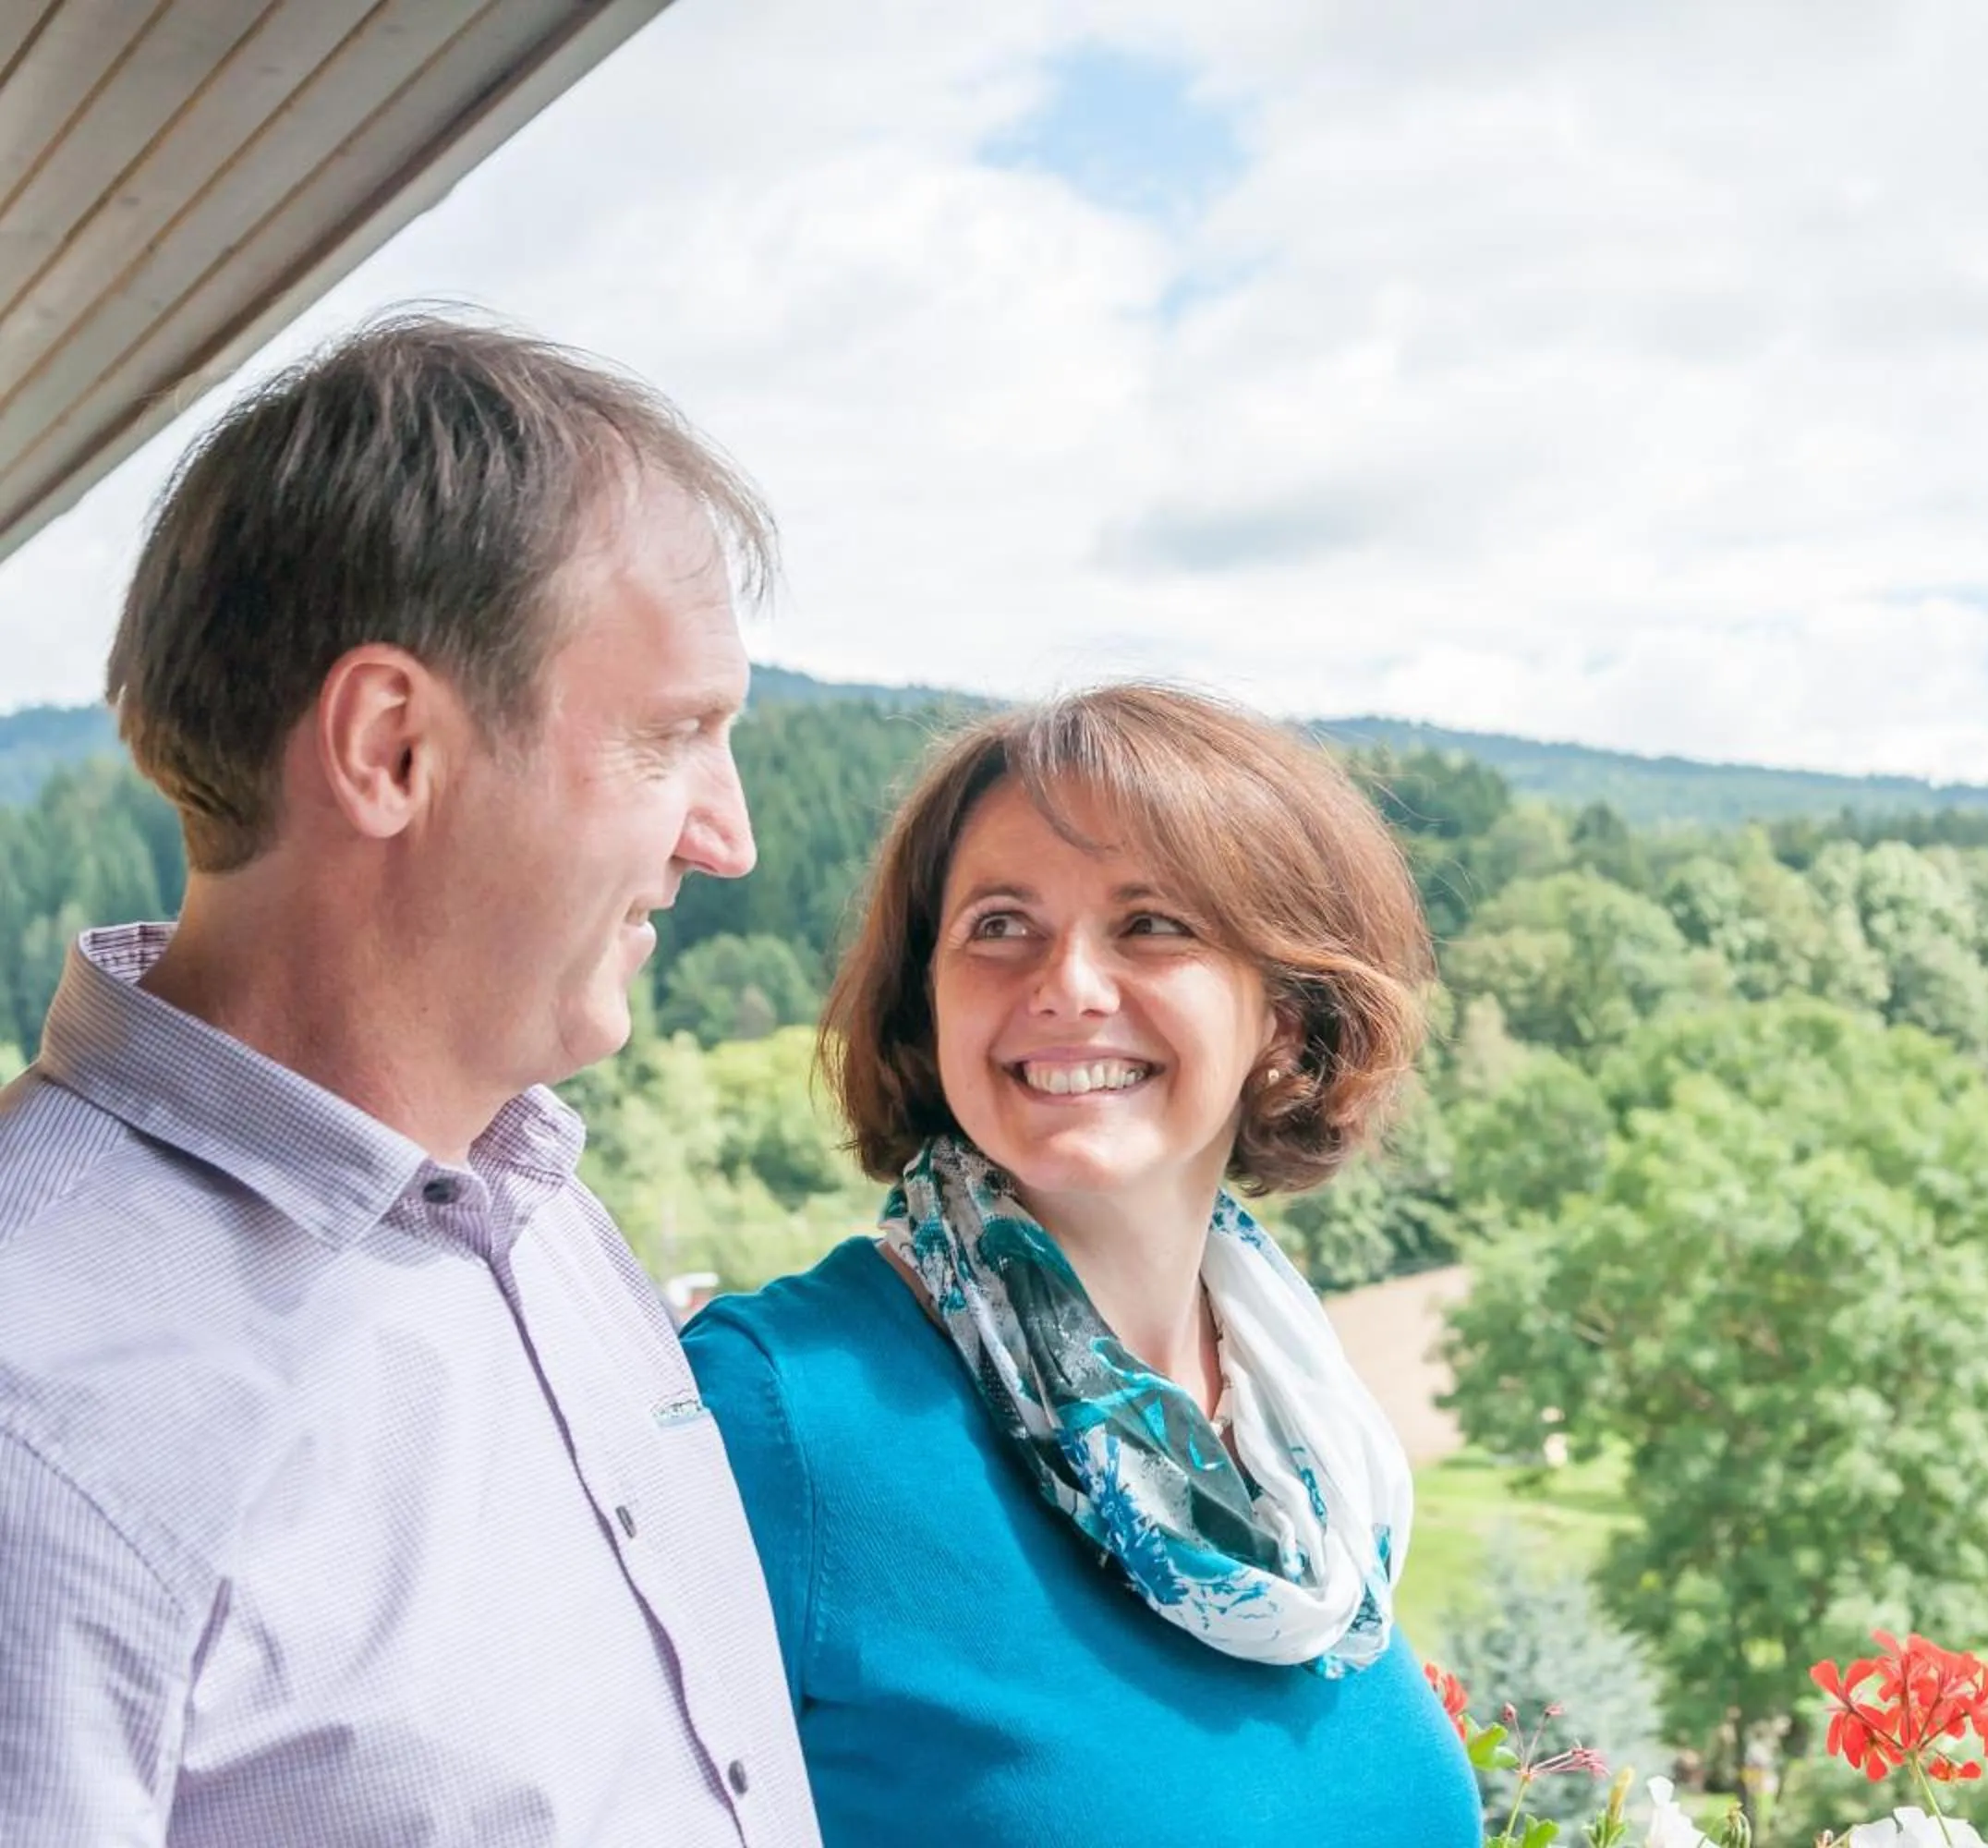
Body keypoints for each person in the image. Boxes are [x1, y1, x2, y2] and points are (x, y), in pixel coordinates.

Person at [0, 315, 819, 1845]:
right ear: (390, 747)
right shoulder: (35, 1403)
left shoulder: (533, 1208)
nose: (729, 839)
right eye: (674, 740)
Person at [680, 684, 1483, 1844]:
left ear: (1288, 1019)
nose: (1066, 983)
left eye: (1153, 923)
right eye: (999, 925)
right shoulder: (774, 1414)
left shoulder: (1305, 1437)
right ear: (929, 998)